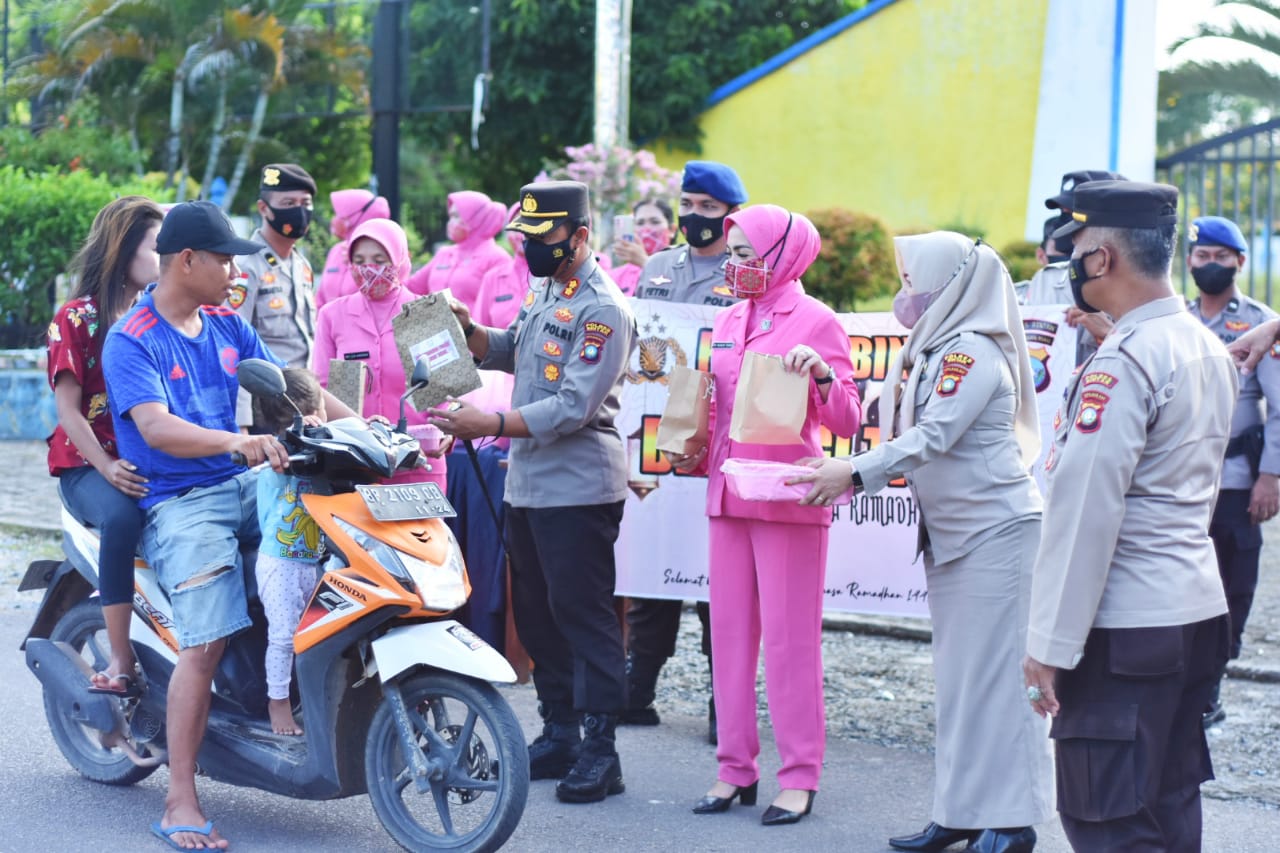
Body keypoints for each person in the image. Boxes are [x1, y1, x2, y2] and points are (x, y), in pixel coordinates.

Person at [102, 201, 358, 850]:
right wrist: (234, 442)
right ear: (188, 260)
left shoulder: (225, 326)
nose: (236, 270)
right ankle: (181, 797)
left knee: (333, 536)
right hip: (180, 501)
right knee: (205, 640)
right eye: (224, 258)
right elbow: (155, 427)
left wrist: (363, 430)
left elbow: (295, 385)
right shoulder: (131, 339)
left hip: (242, 482)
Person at [794, 232, 1053, 852]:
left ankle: (1014, 822)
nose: (904, 294)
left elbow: (932, 436)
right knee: (962, 683)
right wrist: (828, 380)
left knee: (1004, 686)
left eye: (913, 282)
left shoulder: (973, 354)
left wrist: (852, 473)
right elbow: (891, 415)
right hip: (958, 535)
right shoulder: (931, 348)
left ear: (954, 287)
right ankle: (961, 811)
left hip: (998, 532)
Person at [1022, 181, 1235, 852]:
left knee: (1108, 814)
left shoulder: (1125, 359)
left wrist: (1050, 646)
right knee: (1169, 803)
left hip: (1126, 625)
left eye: (1078, 249)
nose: (1071, 264)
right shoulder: (1200, 344)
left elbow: (1086, 512)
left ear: (1104, 259)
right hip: (1193, 607)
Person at [429, 180, 637, 805]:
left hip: (578, 486)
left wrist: (486, 424)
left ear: (579, 237)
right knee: (540, 617)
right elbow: (513, 348)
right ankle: (562, 733)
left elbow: (572, 406)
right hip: (528, 485)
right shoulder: (548, 288)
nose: (532, 251)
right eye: (527, 238)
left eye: (545, 239)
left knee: (585, 616)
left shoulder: (604, 308)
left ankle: (602, 751)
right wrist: (467, 333)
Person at [667, 204, 860, 827]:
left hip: (786, 499)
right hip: (727, 495)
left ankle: (800, 775)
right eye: (734, 255)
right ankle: (734, 769)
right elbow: (721, 404)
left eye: (749, 256)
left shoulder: (817, 320)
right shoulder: (727, 318)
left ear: (783, 255)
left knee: (788, 642)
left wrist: (824, 378)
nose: (737, 266)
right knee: (728, 639)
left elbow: (848, 422)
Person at [623, 160, 748, 736]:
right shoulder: (657, 267)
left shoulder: (748, 269)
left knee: (721, 581)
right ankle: (637, 689)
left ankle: (726, 706)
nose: (694, 217)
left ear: (730, 214)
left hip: (721, 435)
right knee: (655, 563)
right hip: (660, 438)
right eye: (688, 205)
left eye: (707, 208)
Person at [46, 196, 163, 697]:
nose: (169, 257)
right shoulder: (78, 317)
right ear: (123, 250)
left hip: (144, 454)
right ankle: (119, 659)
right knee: (121, 518)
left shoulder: (155, 313)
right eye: (159, 247)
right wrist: (109, 469)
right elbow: (69, 412)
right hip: (85, 465)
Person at [1185, 214, 1280, 727]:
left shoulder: (1262, 323)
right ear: (1190, 262)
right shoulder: (1175, 319)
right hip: (1179, 483)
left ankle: (1210, 685)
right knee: (1179, 582)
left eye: (1222, 257)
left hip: (1237, 480)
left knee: (1231, 585)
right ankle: (1182, 684)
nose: (1212, 265)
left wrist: (1271, 476)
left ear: (1240, 262)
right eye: (1203, 257)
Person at [312, 217, 452, 492]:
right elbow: (321, 389)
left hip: (419, 462)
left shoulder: (428, 312)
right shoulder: (332, 315)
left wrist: (448, 432)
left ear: (401, 259)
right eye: (360, 261)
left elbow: (448, 395)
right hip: (354, 464)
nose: (369, 269)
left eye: (379, 259)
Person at [254, 368, 325, 736]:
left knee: (312, 637)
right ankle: (277, 704)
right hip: (279, 561)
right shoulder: (276, 462)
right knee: (283, 636)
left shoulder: (323, 454)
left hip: (309, 560)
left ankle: (308, 703)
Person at [230, 163, 319, 431]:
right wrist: (242, 424)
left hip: (303, 403)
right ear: (263, 209)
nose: (299, 210)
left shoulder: (301, 265)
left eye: (306, 202)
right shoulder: (247, 267)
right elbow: (235, 346)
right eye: (289, 202)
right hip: (265, 408)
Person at [1023, 169, 1127, 366]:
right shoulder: (1047, 280)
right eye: (1062, 214)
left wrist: (1108, 334)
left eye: (1073, 214)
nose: (1065, 224)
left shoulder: (1139, 287)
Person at [635, 160, 746, 307]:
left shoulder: (745, 274)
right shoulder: (656, 264)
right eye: (686, 204)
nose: (693, 214)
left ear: (733, 214)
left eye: (707, 206)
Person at [406, 190, 510, 308]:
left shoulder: (497, 258)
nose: (450, 223)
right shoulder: (445, 253)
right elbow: (412, 287)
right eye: (450, 217)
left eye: (455, 216)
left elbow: (499, 309)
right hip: (437, 325)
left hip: (472, 326)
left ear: (475, 219)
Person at [315, 187, 390, 310]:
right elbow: (320, 299)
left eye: (340, 215)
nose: (335, 219)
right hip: (329, 327)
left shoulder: (384, 255)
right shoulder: (337, 251)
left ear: (356, 218)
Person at [472, 203, 532, 330]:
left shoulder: (554, 275)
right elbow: (479, 331)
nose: (521, 235)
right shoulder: (493, 278)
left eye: (528, 227)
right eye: (516, 227)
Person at [611, 199, 677, 296]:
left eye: (655, 222)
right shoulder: (616, 276)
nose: (646, 229)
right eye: (640, 223)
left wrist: (645, 262)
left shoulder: (682, 270)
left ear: (672, 230)